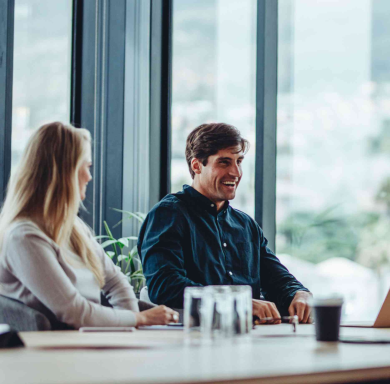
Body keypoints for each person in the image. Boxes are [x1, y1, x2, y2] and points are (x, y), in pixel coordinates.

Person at [0, 122, 178, 328]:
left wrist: (130, 325)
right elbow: (73, 311)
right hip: (51, 352)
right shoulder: (24, 237)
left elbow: (115, 281)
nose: (90, 176)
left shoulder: (72, 227)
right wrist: (139, 318)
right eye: (86, 166)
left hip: (84, 341)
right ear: (65, 173)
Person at [138, 123, 312, 324]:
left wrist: (300, 293)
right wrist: (238, 303)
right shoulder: (168, 214)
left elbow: (277, 278)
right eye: (224, 162)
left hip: (250, 340)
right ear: (197, 166)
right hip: (191, 341)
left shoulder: (246, 225)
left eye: (239, 161)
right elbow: (165, 286)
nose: (236, 172)